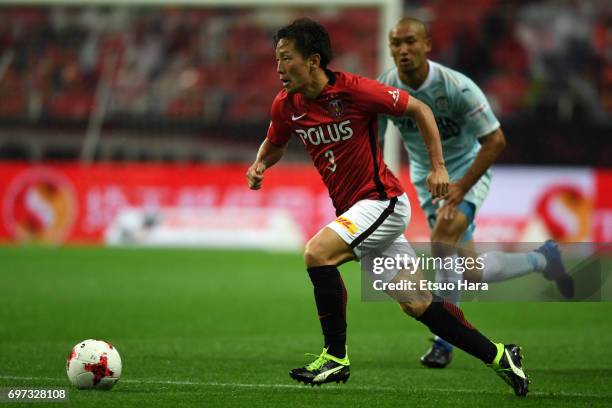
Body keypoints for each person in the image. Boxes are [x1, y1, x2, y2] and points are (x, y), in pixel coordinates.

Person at [246, 18, 528, 396]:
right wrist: (262, 162)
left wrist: (439, 166)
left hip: (382, 203)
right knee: (417, 303)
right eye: (276, 60)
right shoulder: (287, 105)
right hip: (359, 212)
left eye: (286, 59)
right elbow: (276, 141)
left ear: (313, 61)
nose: (279, 69)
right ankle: (499, 355)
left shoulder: (356, 91)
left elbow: (421, 110)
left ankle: (334, 358)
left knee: (317, 253)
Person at [378, 17, 574, 368]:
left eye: (410, 41)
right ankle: (543, 258)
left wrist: (460, 188)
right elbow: (373, 141)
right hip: (427, 180)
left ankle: (444, 341)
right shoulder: (386, 88)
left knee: (441, 239)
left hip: (468, 172)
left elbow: (495, 140)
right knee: (469, 270)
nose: (403, 50)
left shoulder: (457, 88)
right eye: (396, 44)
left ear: (427, 46)